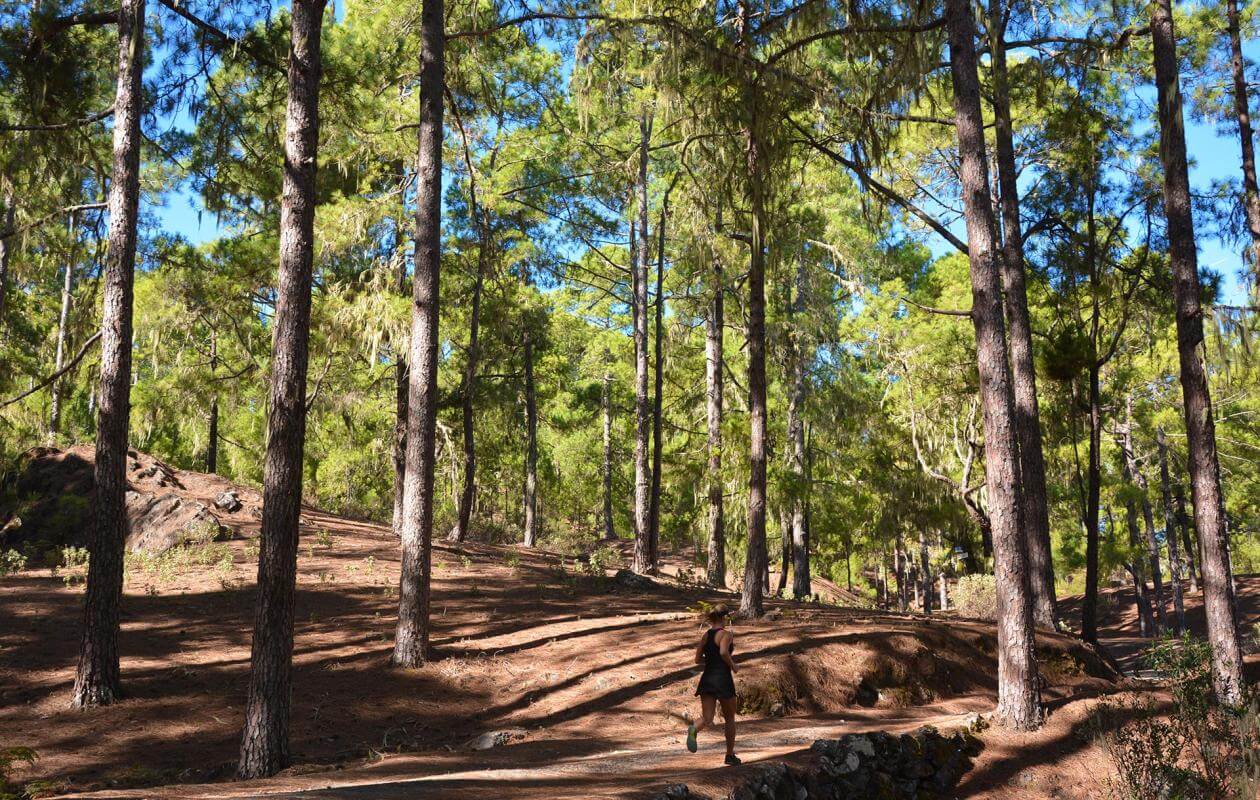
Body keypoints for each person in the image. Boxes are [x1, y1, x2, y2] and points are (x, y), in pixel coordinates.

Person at [685, 604, 740, 765]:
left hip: (707, 678)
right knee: (730, 718)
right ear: (725, 617)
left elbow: (697, 659)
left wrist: (711, 659)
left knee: (707, 717)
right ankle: (729, 755)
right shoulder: (726, 634)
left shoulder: (706, 635)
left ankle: (694, 728)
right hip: (722, 679)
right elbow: (723, 652)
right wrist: (733, 665)